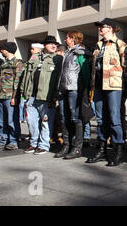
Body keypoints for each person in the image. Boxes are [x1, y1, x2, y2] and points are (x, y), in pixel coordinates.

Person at [86, 19, 127, 167]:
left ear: (110, 28)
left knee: (114, 118)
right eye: (99, 27)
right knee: (100, 119)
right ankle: (102, 150)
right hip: (99, 87)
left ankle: (118, 149)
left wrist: (124, 88)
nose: (100, 29)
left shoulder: (120, 45)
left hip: (114, 86)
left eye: (102, 27)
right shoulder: (98, 46)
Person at [20, 35, 63, 155]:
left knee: (46, 122)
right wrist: (24, 92)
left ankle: (44, 145)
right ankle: (33, 143)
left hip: (46, 97)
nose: (54, 46)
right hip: (31, 96)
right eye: (51, 44)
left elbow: (59, 78)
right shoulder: (34, 57)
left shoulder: (58, 59)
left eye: (55, 44)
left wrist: (55, 94)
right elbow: (27, 76)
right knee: (31, 122)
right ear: (44, 45)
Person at [55, 31, 91, 160]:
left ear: (73, 39)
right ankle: (66, 145)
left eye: (67, 38)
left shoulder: (79, 52)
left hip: (74, 89)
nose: (65, 40)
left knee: (75, 118)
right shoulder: (67, 52)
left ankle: (77, 148)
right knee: (64, 118)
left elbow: (85, 71)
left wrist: (84, 89)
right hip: (64, 89)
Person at [0, 42, 24, 150]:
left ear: (8, 50)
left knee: (12, 120)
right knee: (1, 120)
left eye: (3, 49)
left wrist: (14, 97)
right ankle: (3, 140)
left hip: (10, 96)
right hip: (1, 96)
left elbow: (17, 81)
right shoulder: (3, 64)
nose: (2, 51)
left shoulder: (18, 63)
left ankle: (14, 141)